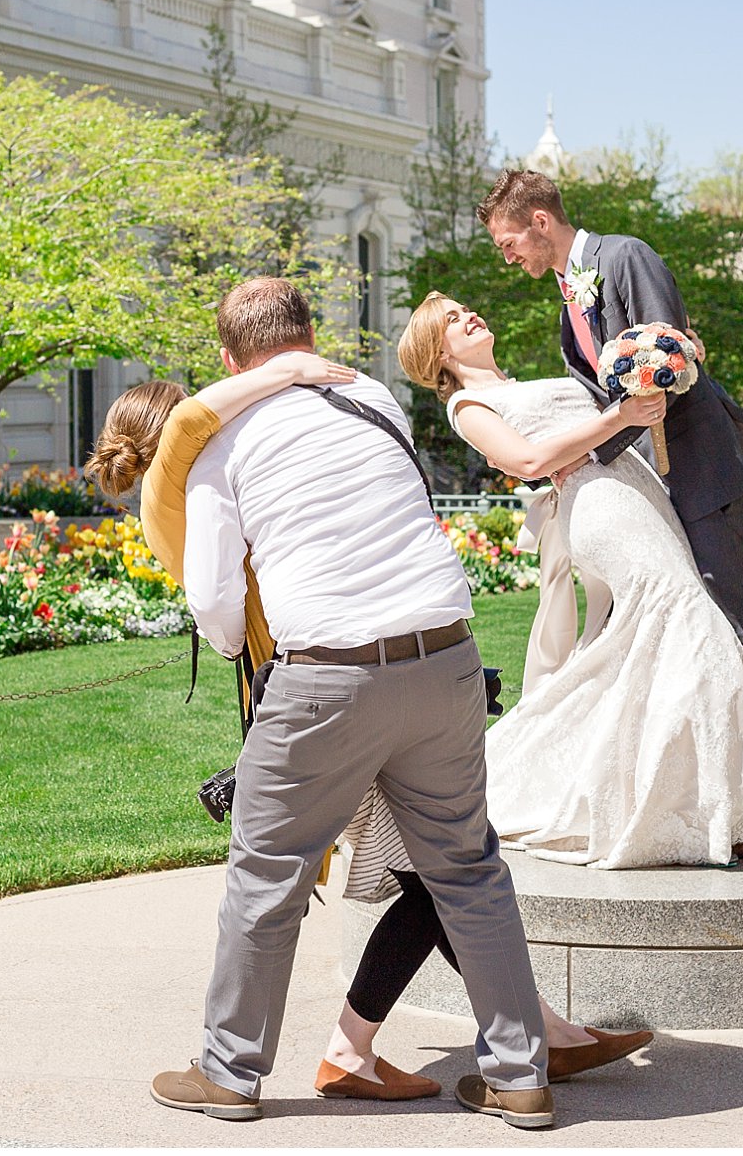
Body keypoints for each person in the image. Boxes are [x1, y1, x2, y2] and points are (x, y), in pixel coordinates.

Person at [91, 365, 651, 1108]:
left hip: (324, 697)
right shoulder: (183, 481)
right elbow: (220, 602)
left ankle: (390, 1048)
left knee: (430, 874)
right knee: (445, 871)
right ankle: (501, 1051)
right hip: (320, 698)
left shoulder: (215, 474)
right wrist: (287, 369)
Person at [146, 278, 555, 1130]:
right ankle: (520, 1074)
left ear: (228, 359)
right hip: (446, 659)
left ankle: (230, 1071)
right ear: (309, 335)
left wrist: (238, 653)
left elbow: (217, 599)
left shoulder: (221, 442)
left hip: (325, 675)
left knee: (267, 874)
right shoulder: (370, 397)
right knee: (469, 870)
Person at [398, 293, 743, 867]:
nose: (470, 316)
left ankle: (711, 805)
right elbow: (530, 462)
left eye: (467, 310)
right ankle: (707, 808)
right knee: (687, 616)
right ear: (439, 353)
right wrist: (618, 418)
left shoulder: (516, 382)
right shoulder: (469, 405)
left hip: (639, 490)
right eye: (454, 321)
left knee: (655, 638)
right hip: (600, 506)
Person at [478, 169, 743, 821]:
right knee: (688, 641)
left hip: (699, 477)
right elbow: (604, 399)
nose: (506, 256)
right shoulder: (569, 299)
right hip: (646, 491)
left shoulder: (624, 256)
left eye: (508, 241)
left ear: (540, 222)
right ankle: (716, 800)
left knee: (739, 628)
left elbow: (671, 353)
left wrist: (606, 432)